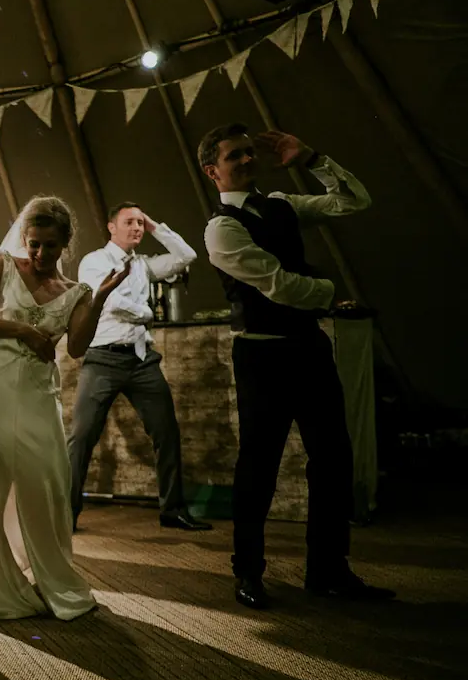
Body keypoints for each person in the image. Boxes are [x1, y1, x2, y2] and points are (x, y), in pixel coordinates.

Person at [198, 124, 395, 609]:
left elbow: (354, 201)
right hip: (261, 355)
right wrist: (326, 291)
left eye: (249, 152)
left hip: (308, 348)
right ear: (212, 171)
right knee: (258, 467)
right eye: (234, 156)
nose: (246, 160)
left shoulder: (283, 203)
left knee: (333, 459)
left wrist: (312, 159)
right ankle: (247, 572)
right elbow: (281, 286)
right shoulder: (222, 227)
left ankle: (328, 570)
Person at [0, 195, 127, 619]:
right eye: (34, 243)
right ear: (25, 238)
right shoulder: (3, 264)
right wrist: (23, 329)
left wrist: (97, 303)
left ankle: (50, 578)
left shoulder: (76, 292)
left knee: (47, 485)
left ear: (66, 245)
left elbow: (76, 347)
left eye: (50, 246)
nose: (40, 254)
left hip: (38, 395)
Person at [66, 203, 211, 532]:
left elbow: (187, 256)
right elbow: (110, 301)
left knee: (166, 432)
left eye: (139, 222)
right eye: (129, 222)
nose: (135, 227)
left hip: (141, 359)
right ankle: (66, 512)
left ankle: (172, 510)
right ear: (110, 227)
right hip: (103, 358)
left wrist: (154, 225)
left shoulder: (143, 265)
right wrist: (147, 313)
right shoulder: (95, 261)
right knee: (82, 436)